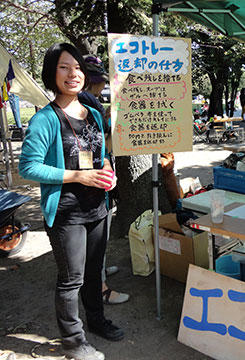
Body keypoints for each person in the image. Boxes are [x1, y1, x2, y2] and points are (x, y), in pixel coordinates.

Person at [19, 43, 124, 360]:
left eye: (77, 67)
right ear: (52, 73)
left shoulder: (92, 112)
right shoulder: (44, 119)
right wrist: (77, 177)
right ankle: (73, 343)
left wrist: (107, 172)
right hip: (67, 214)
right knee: (71, 280)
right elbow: (28, 166)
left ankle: (97, 321)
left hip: (98, 207)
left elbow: (100, 155)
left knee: (94, 274)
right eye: (64, 67)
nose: (73, 73)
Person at [78, 55, 130, 306]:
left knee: (98, 234)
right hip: (93, 176)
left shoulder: (85, 100)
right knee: (96, 233)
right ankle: (99, 286)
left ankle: (97, 273)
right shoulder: (87, 101)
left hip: (95, 172)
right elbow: (101, 138)